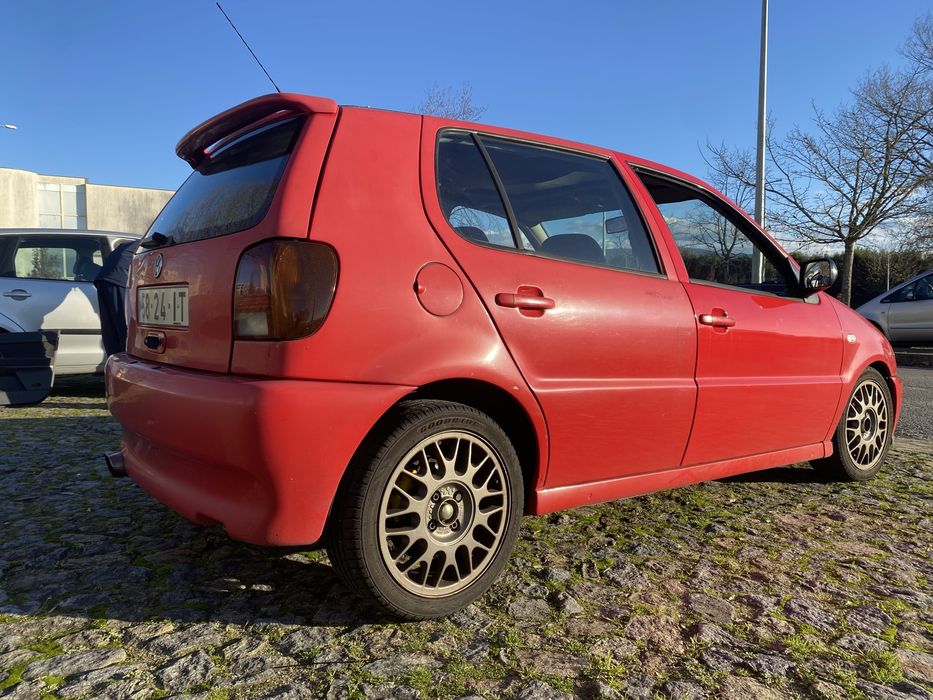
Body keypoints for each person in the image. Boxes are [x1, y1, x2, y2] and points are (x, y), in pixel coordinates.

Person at [94, 241, 137, 357]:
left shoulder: (135, 243)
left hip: (103, 279)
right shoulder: (165, 241)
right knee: (123, 329)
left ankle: (113, 364)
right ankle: (124, 365)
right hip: (119, 277)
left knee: (110, 330)